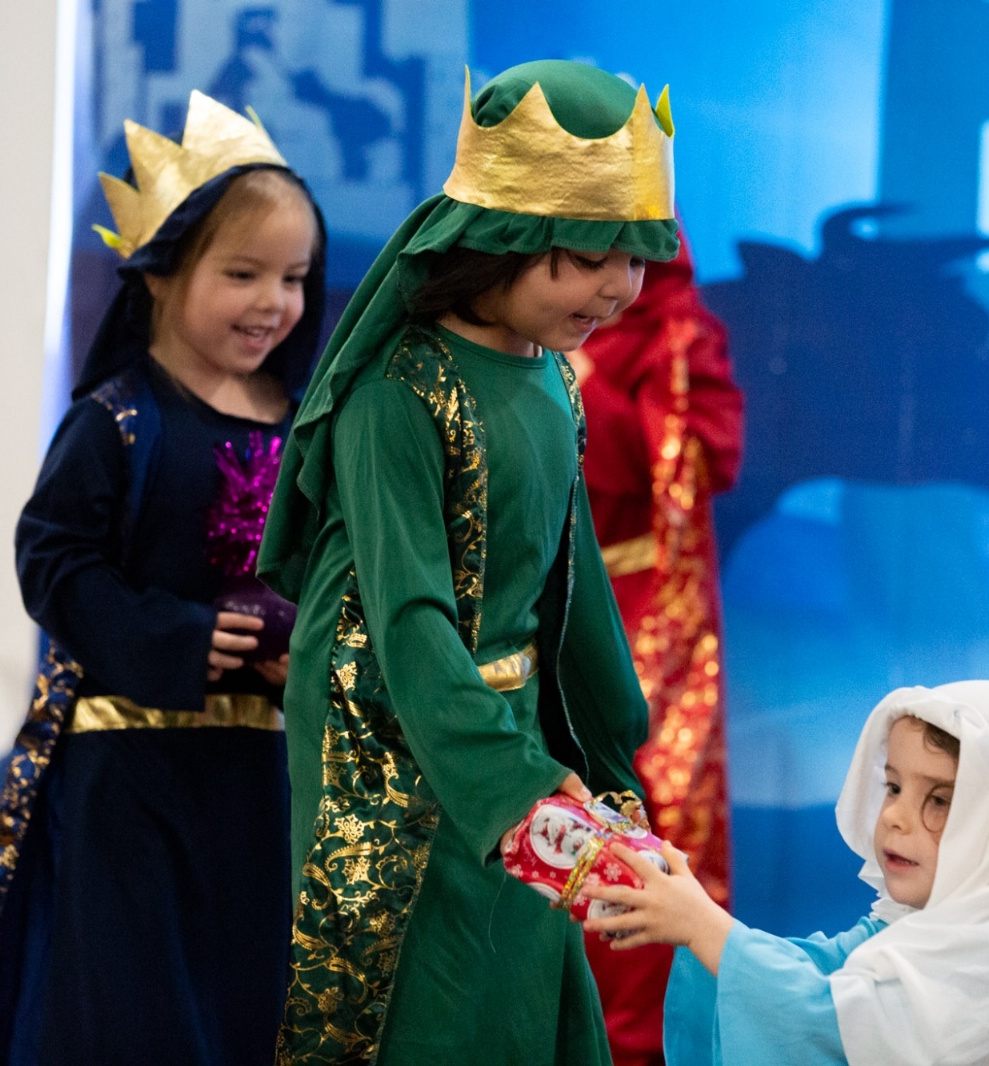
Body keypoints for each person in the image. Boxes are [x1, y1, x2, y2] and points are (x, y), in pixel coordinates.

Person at [256, 60, 679, 1064]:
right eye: (588, 255)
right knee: (428, 1000)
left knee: (521, 977)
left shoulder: (552, 380)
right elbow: (407, 615)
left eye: (636, 258)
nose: (617, 288)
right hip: (389, 736)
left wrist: (603, 758)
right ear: (500, 238)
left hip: (504, 731)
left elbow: (570, 591)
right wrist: (516, 789)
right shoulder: (396, 393)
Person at [0, 91, 326, 1065]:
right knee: (137, 1012)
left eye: (294, 277)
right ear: (159, 273)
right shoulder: (117, 421)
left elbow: (331, 568)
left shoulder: (302, 428)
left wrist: (309, 646)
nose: (274, 302)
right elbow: (55, 562)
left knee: (248, 1001)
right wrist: (178, 636)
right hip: (130, 775)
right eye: (242, 273)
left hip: (258, 778)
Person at [583, 682, 989, 1066]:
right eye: (894, 787)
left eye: (941, 800)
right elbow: (827, 972)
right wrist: (693, 921)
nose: (895, 815)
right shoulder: (942, 922)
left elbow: (830, 1030)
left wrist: (704, 928)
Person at [570, 234, 744, 1066]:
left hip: (640, 608)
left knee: (640, 812)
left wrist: (583, 394)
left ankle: (638, 1043)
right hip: (535, 602)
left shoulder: (677, 331)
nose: (608, 282)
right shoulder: (509, 327)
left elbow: (706, 456)